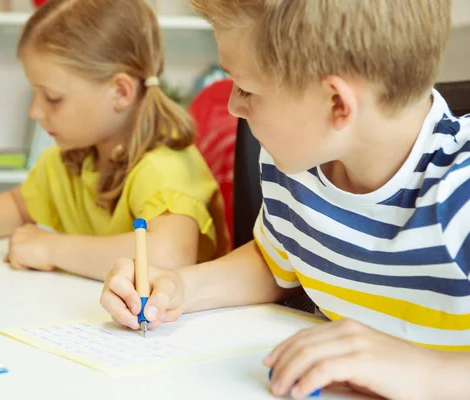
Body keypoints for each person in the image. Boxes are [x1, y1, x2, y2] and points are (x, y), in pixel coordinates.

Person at [100, 1, 470, 399]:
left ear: (336, 104)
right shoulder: (299, 161)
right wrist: (179, 286)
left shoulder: (460, 189)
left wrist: (423, 373)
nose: (231, 108)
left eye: (245, 89)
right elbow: (276, 258)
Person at [0, 0, 229, 281]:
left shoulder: (164, 166)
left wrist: (53, 249)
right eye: (35, 94)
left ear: (120, 92)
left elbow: (168, 256)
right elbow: (20, 205)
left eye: (52, 98)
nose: (35, 111)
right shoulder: (73, 156)